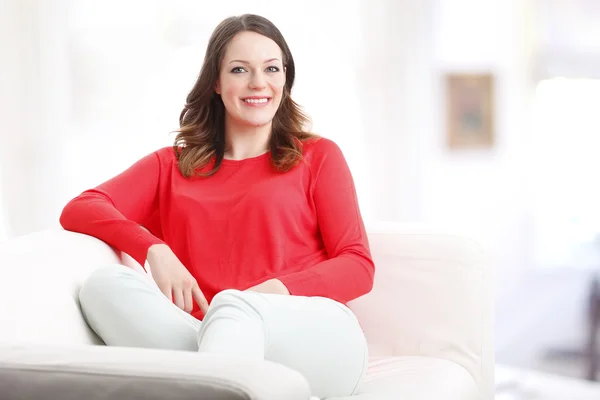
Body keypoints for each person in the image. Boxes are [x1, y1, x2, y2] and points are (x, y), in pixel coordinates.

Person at [60, 14, 375, 399]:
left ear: (285, 79)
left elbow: (358, 264)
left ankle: (208, 370)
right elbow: (81, 207)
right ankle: (222, 374)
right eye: (240, 69)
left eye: (271, 68)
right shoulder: (171, 166)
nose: (258, 83)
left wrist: (269, 294)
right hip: (207, 333)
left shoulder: (318, 156)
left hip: (314, 337)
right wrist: (153, 249)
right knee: (102, 286)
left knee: (233, 310)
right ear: (216, 82)